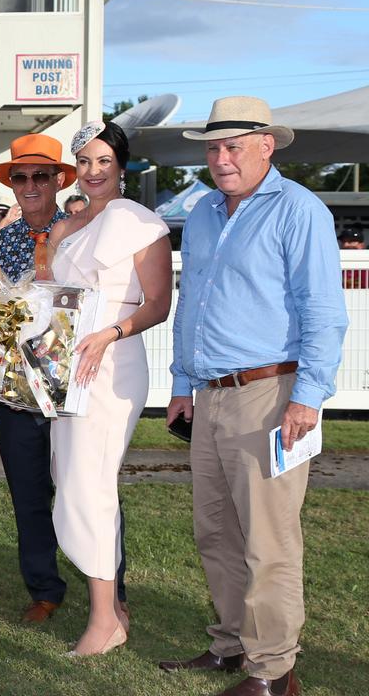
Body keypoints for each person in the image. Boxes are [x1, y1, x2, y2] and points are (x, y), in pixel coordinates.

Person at [160, 96, 347, 696]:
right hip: (212, 395)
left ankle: (272, 671)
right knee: (215, 531)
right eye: (213, 147)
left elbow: (323, 309)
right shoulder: (208, 211)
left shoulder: (300, 210)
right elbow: (194, 303)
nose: (220, 158)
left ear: (267, 145)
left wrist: (307, 397)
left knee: (268, 539)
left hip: (271, 392)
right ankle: (231, 646)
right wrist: (184, 383)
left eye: (233, 145)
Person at [0, 132, 130, 624]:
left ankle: (111, 590)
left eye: (41, 175)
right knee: (28, 492)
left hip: (77, 389)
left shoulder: (86, 232)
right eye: (19, 176)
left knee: (89, 486)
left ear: (58, 180)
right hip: (18, 390)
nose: (29, 185)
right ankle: (44, 589)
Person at [44, 121, 172, 656]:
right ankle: (113, 607)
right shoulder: (71, 223)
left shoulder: (139, 221)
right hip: (65, 363)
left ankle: (102, 620)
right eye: (84, 163)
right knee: (72, 479)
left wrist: (109, 334)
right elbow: (46, 285)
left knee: (89, 486)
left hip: (111, 364)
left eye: (103, 161)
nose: (92, 172)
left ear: (121, 164)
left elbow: (158, 304)